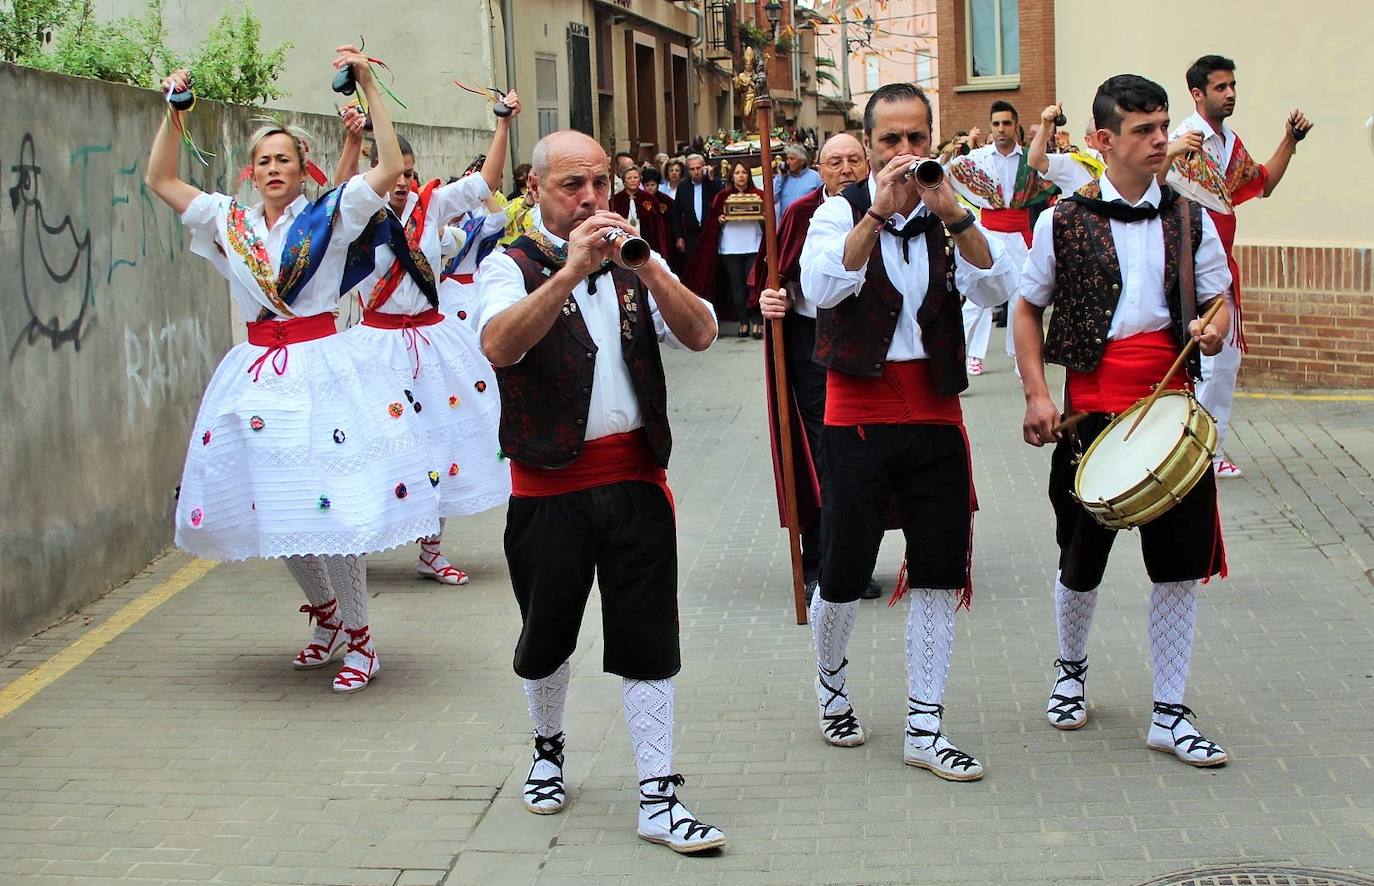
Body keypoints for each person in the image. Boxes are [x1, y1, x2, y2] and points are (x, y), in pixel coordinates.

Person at [145, 47, 437, 693]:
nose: (275, 168)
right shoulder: (231, 222)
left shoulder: (329, 215)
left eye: (286, 159)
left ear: (305, 169)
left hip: (323, 370)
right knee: (282, 512)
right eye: (265, 161)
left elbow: (389, 165)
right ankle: (328, 618)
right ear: (251, 172)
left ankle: (363, 640)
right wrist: (175, 114)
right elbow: (161, 180)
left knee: (334, 513)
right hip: (258, 376)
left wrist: (370, 88)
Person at [475, 129, 724, 853]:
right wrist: (568, 271)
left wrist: (651, 274)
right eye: (572, 186)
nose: (591, 199)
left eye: (600, 184)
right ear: (535, 189)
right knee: (546, 634)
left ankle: (657, 795)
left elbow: (704, 334)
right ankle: (548, 748)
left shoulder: (634, 259)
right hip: (549, 483)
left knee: (649, 638)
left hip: (637, 478)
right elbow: (499, 346)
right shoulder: (507, 265)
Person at [797, 83, 1018, 779]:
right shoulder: (836, 214)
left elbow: (998, 288)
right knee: (842, 570)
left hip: (936, 413)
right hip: (857, 414)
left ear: (933, 139)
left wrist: (952, 214)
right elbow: (823, 290)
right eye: (889, 141)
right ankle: (831, 682)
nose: (903, 153)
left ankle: (926, 722)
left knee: (938, 570)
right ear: (865, 148)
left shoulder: (952, 212)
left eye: (915, 138)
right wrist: (876, 216)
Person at [1015, 73, 1233, 766]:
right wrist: (1035, 395)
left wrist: (1215, 327)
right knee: (1080, 561)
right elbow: (1026, 307)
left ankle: (1170, 710)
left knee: (1177, 569)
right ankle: (1070, 672)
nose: (1161, 140)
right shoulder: (1062, 218)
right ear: (1103, 140)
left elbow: (1221, 301)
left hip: (1170, 414)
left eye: (1164, 126)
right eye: (1144, 130)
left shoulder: (1191, 215)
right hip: (1089, 415)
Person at [333, 93, 521, 587]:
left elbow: (486, 183)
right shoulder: (359, 212)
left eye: (409, 174)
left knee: (439, 442)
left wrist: (501, 125)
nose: (402, 184)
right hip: (377, 344)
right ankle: (363, 535)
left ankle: (431, 550)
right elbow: (330, 203)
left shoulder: (433, 205)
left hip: (432, 344)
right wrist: (352, 142)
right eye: (395, 174)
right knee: (378, 443)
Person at [1166, 54, 1312, 479]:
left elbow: (1262, 182)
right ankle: (1188, 453)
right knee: (1201, 361)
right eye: (1220, 87)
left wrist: (1291, 140)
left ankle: (1211, 450)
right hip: (1186, 267)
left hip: (1220, 265)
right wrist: (1172, 151)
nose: (1230, 94)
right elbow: (1141, 181)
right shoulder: (1179, 141)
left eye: (1233, 86)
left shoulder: (1230, 143)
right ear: (1197, 94)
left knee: (1223, 363)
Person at [753, 133, 883, 602]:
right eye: (835, 162)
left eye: (853, 160)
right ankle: (820, 562)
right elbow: (773, 275)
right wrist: (775, 294)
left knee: (864, 456)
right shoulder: (800, 212)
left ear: (866, 164)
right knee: (820, 453)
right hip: (814, 347)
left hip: (869, 345)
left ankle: (858, 560)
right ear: (820, 170)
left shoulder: (884, 204)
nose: (845, 168)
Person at [947, 101, 1055, 376]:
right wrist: (949, 151)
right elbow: (945, 173)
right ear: (990, 127)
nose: (1001, 129)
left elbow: (1053, 175)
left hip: (1020, 235)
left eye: (1006, 123)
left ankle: (1020, 358)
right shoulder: (977, 159)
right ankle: (967, 355)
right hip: (988, 232)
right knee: (977, 297)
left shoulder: (1030, 159)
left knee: (1022, 295)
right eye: (996, 124)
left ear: (1015, 126)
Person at [684, 160, 765, 338]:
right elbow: (712, 222)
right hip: (730, 248)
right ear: (731, 176)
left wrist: (763, 217)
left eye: (744, 173)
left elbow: (768, 222)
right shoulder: (722, 196)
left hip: (754, 245)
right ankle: (743, 322)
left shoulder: (759, 194)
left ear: (748, 176)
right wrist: (719, 220)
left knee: (754, 285)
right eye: (737, 173)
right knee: (737, 287)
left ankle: (757, 322)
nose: (741, 176)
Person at [1027, 105, 1105, 195]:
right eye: (1099, 132)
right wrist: (1045, 126)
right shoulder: (1075, 162)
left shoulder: (1120, 163)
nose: (1106, 137)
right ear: (1088, 140)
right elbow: (1036, 161)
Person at [671, 153, 723, 267]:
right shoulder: (683, 186)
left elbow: (721, 196)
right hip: (691, 235)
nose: (696, 172)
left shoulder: (712, 183)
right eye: (692, 169)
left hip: (711, 233)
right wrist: (679, 236)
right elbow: (676, 213)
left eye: (698, 168)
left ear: (704, 167)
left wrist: (711, 178)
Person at [773, 143, 822, 219]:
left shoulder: (815, 177)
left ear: (802, 161)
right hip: (788, 223)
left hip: (808, 222)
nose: (788, 162)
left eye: (792, 159)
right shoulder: (783, 178)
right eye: (787, 159)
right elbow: (773, 199)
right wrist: (780, 176)